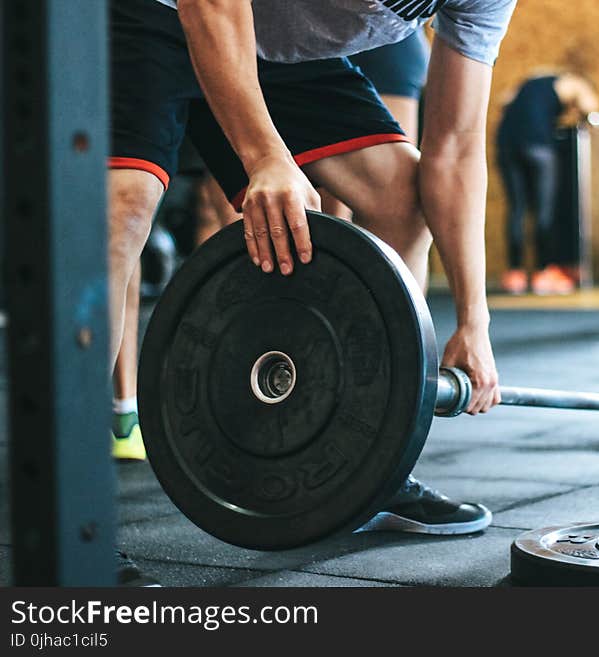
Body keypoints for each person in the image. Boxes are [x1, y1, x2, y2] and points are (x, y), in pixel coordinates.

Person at [107, 0, 517, 581]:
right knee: (121, 209)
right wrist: (265, 157)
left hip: (275, 51)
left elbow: (455, 148)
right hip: (159, 13)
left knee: (400, 202)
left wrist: (475, 320)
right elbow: (211, 6)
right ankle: (73, 511)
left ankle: (362, 465)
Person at [496, 72, 599, 295]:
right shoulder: (573, 83)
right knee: (544, 210)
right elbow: (588, 106)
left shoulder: (530, 83)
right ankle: (544, 272)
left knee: (517, 209)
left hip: (507, 143)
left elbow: (503, 101)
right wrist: (588, 114)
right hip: (538, 145)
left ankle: (515, 274)